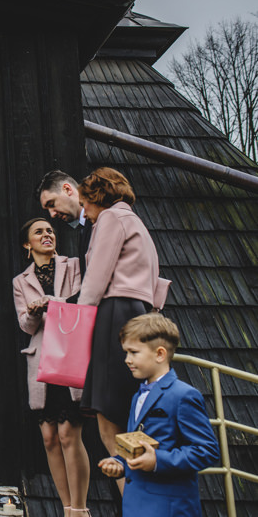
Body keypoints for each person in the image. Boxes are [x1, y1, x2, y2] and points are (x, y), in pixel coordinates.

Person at [76, 167, 170, 493]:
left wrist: (79, 322)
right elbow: (157, 280)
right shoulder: (137, 222)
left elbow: (98, 275)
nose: (83, 211)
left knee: (108, 418)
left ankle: (136, 501)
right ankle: (144, 498)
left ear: (97, 195)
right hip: (140, 315)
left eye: (85, 202)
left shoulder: (110, 219)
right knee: (131, 411)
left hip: (113, 312)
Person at [98, 313, 219, 515]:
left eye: (134, 352)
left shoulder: (183, 395)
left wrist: (157, 461)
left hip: (169, 508)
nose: (127, 360)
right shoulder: (138, 395)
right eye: (126, 352)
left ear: (160, 354)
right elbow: (137, 443)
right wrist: (120, 462)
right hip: (135, 505)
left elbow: (207, 450)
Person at [13, 218, 90, 517]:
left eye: (50, 231)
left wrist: (51, 302)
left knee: (70, 433)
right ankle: (66, 507)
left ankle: (79, 510)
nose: (47, 235)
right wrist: (34, 311)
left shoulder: (72, 266)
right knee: (49, 437)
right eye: (39, 232)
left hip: (69, 355)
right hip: (41, 359)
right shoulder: (20, 281)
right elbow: (25, 324)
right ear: (27, 245)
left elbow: (83, 303)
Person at [37, 171, 92, 277]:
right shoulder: (84, 227)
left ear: (67, 189)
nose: (52, 214)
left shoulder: (101, 219)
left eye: (52, 204)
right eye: (47, 209)